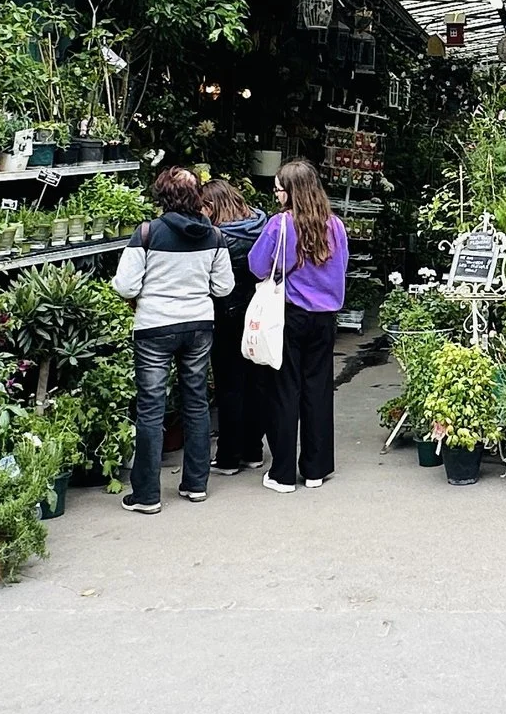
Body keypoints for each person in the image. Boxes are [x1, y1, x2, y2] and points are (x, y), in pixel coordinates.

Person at [110, 167, 231, 511]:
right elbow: (224, 288)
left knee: (151, 408)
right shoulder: (214, 236)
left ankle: (147, 495)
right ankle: (195, 485)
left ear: (161, 195)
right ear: (196, 197)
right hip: (198, 327)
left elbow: (125, 286)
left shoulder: (147, 233)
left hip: (155, 328)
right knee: (196, 402)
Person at [247, 158, 348, 492]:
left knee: (285, 391)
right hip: (325, 317)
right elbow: (341, 267)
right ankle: (316, 469)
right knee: (318, 389)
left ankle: (284, 473)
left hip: (289, 315)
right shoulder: (335, 225)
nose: (276, 196)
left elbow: (258, 265)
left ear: (290, 192)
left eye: (278, 189)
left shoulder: (282, 225)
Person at [200, 177, 272, 474]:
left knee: (230, 386)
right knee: (257, 382)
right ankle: (254, 449)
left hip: (227, 317)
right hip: (258, 313)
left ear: (213, 206)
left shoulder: (218, 237)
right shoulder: (261, 223)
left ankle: (229, 456)